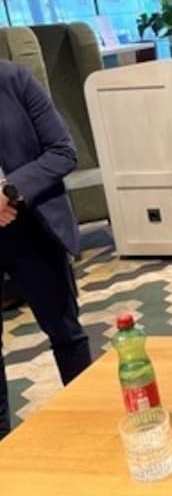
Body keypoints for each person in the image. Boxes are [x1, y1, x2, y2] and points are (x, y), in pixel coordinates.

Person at [0, 59, 92, 439]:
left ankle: (93, 421)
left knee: (65, 331)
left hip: (29, 227)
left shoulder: (13, 79)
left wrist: (8, 192)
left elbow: (62, 151)